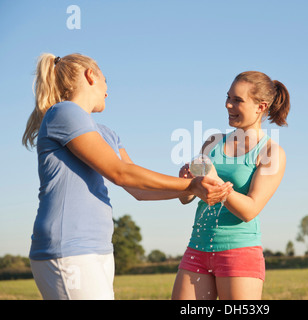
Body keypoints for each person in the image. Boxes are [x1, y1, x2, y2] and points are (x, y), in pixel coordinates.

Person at [22, 53, 232, 300]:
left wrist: (192, 189)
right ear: (91, 75)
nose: (108, 90)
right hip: (68, 247)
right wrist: (192, 184)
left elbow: (138, 189)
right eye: (105, 80)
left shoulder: (107, 134)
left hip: (96, 248)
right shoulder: (63, 112)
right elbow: (120, 173)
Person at [172, 71, 290, 300]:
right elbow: (188, 197)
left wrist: (214, 179)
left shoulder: (271, 152)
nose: (228, 105)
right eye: (228, 97)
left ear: (261, 107)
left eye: (238, 100)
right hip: (198, 247)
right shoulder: (213, 142)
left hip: (239, 251)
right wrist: (188, 183)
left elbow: (250, 210)